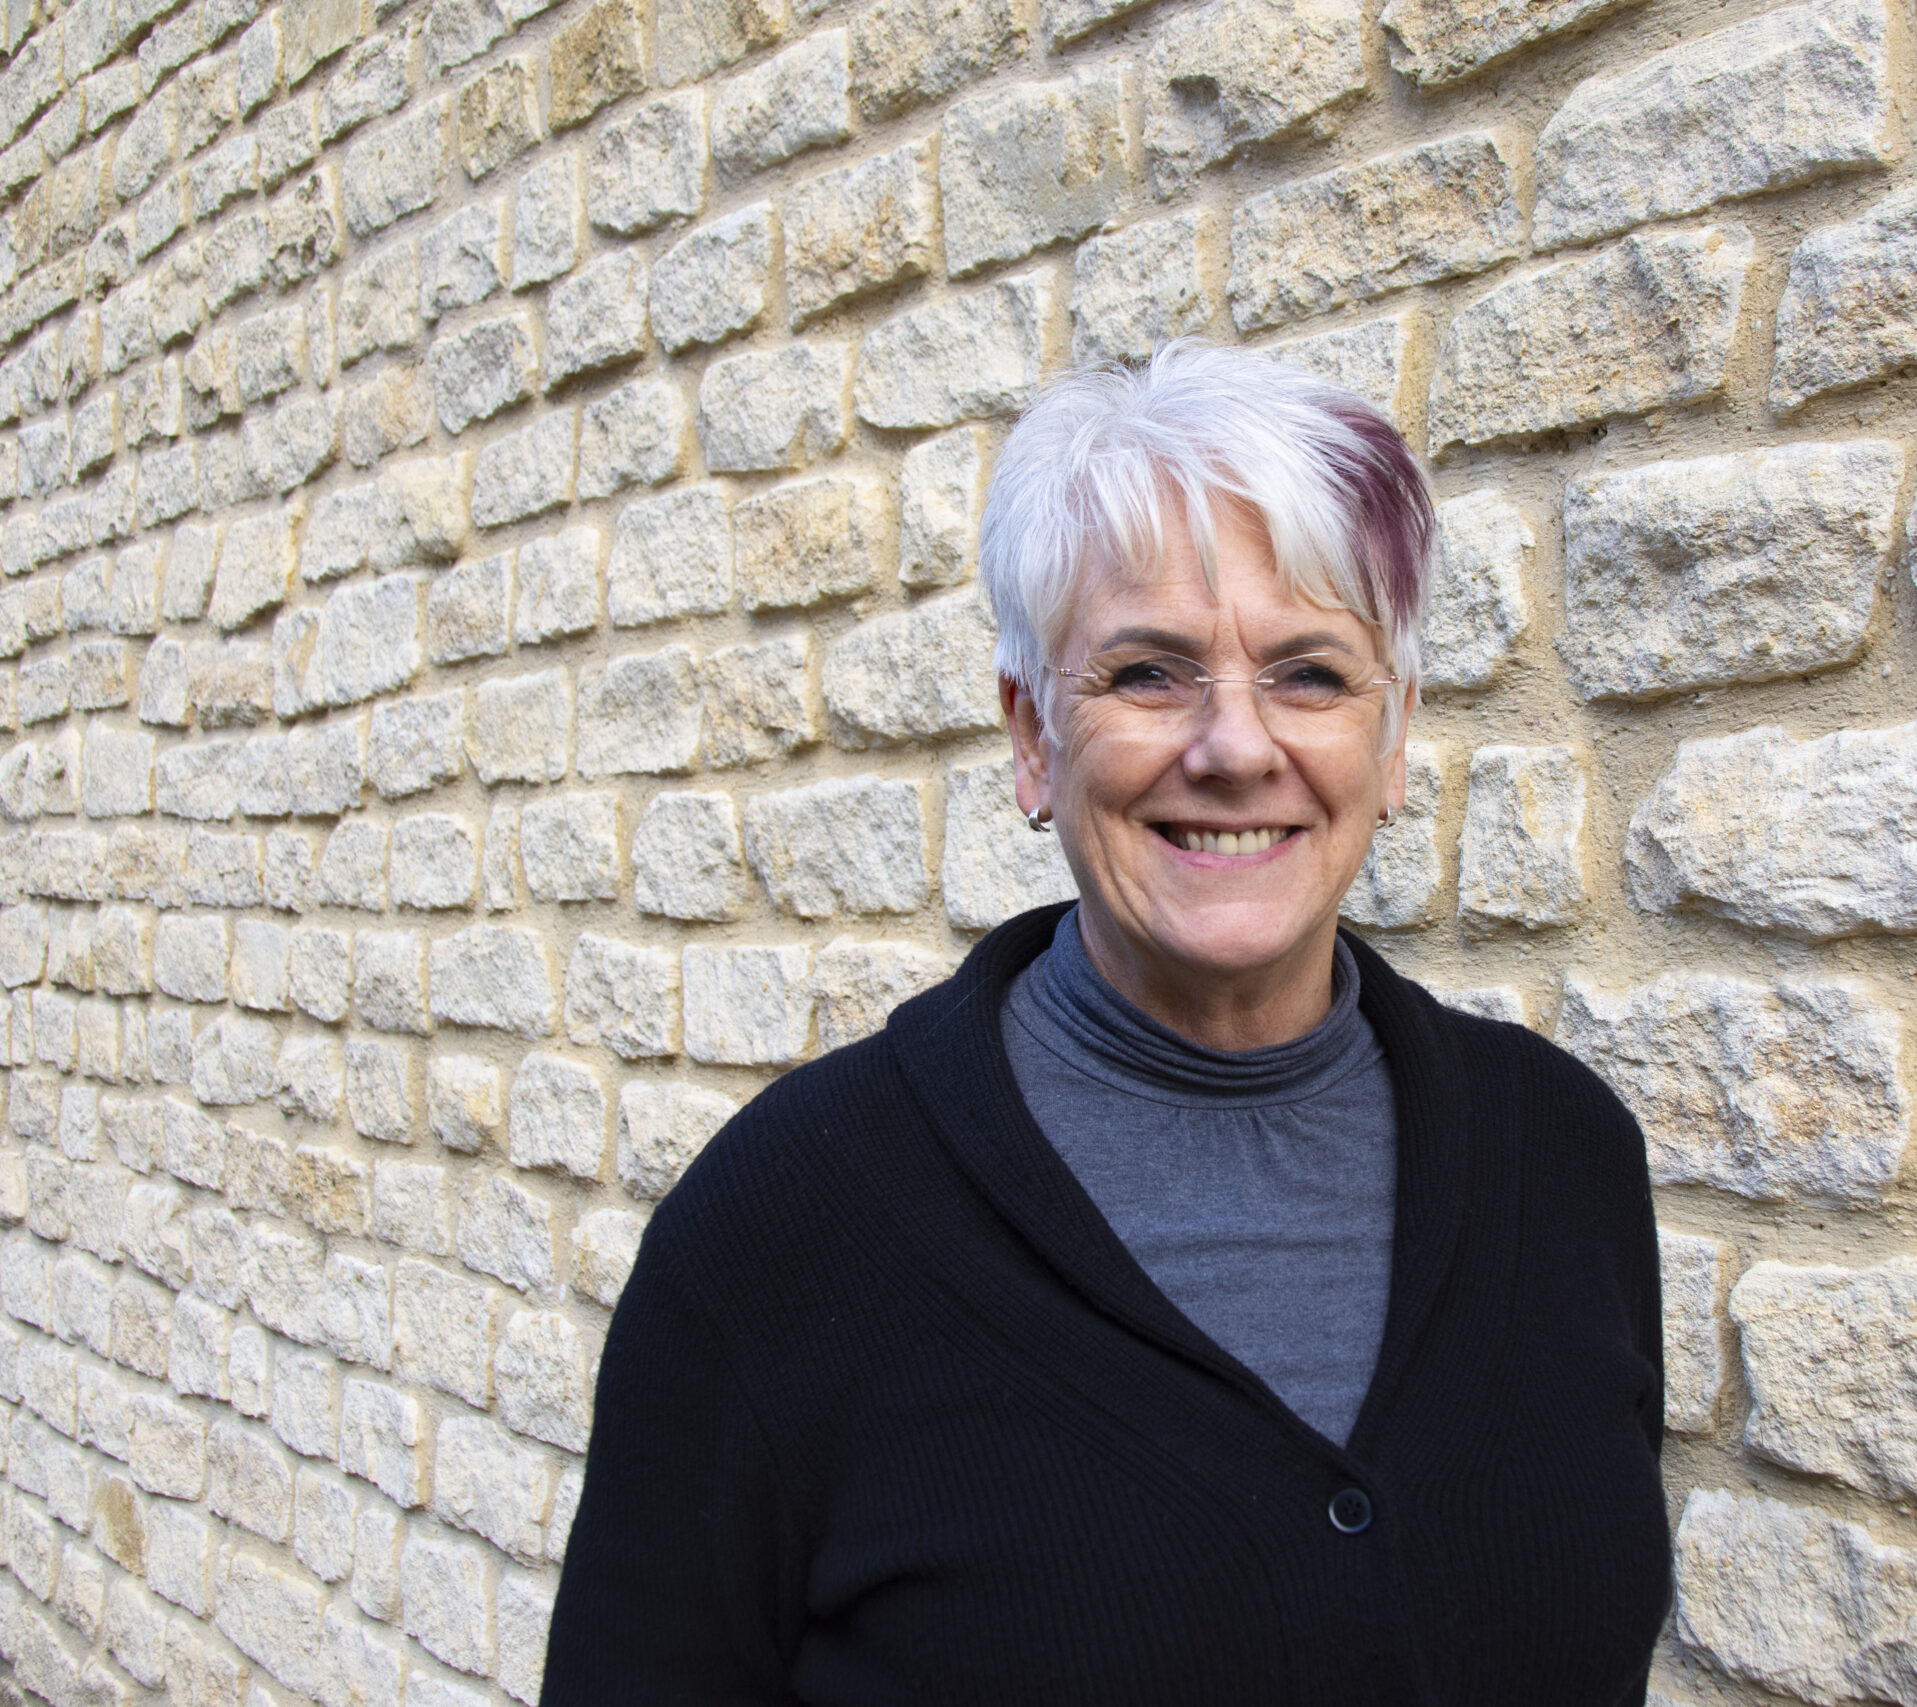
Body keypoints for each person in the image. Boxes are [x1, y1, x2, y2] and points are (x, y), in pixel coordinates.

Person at [542, 341, 1672, 1706]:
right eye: (1149, 673)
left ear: (1393, 737)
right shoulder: (787, 1230)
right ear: (1031, 737)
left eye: (1310, 674)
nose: (1236, 745)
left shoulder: (1563, 1159)